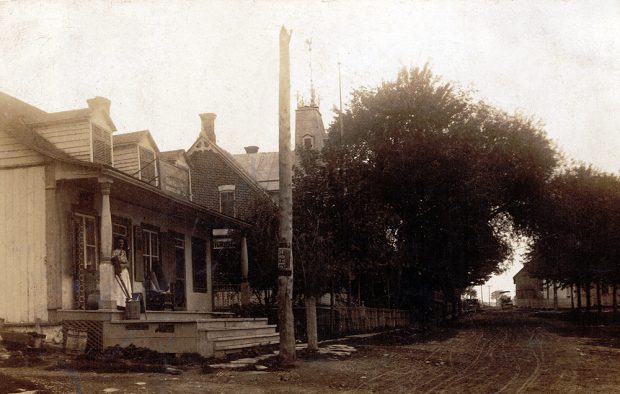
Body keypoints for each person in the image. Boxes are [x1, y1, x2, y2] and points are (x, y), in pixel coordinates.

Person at [112, 237, 132, 310]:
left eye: (122, 243)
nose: (121, 244)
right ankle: (118, 303)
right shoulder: (115, 252)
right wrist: (120, 265)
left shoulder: (124, 252)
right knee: (118, 287)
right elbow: (114, 261)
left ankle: (124, 303)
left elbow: (127, 262)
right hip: (118, 270)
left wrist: (125, 265)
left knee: (125, 286)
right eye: (120, 242)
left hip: (124, 271)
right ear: (117, 243)